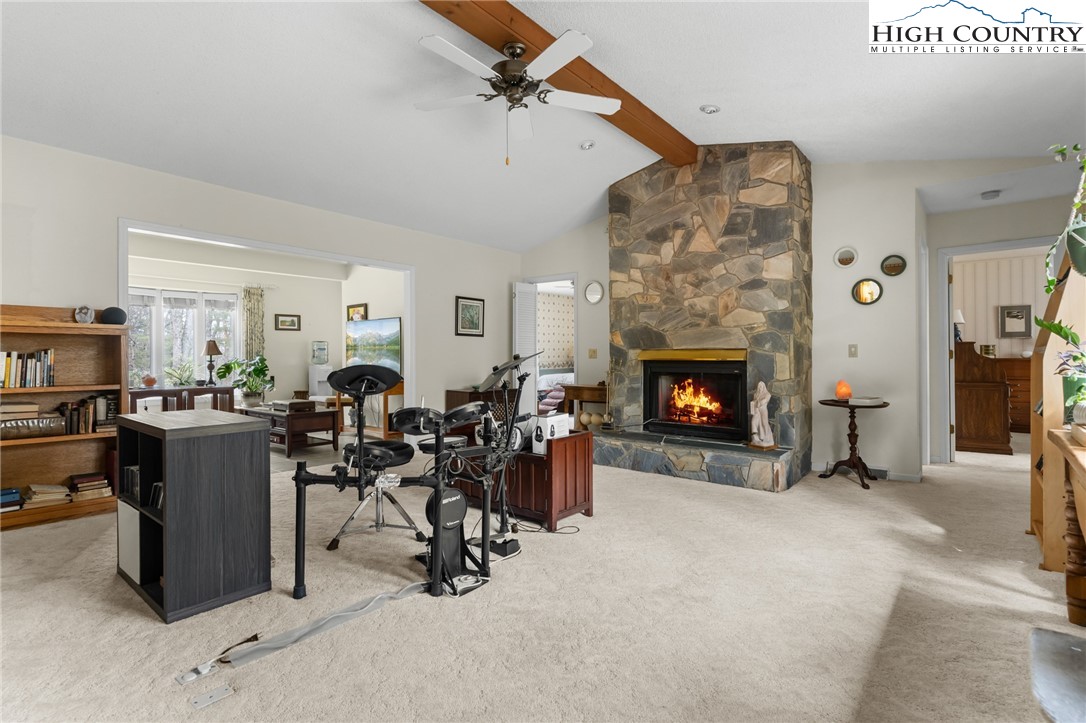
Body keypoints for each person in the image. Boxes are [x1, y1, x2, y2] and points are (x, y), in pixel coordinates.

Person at [750, 381, 774, 447]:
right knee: (754, 422)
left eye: (761, 387)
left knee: (764, 423)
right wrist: (754, 402)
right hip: (757, 411)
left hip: (763, 411)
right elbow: (754, 402)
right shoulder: (756, 394)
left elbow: (764, 401)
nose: (760, 388)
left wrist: (759, 402)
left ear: (764, 387)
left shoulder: (767, 394)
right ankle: (756, 436)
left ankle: (766, 438)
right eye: (759, 387)